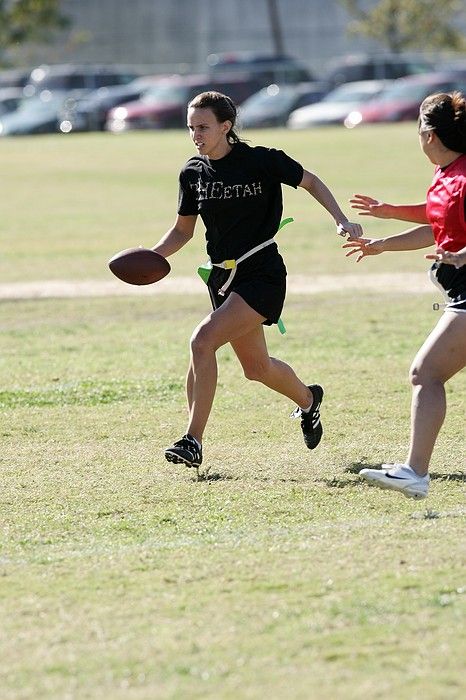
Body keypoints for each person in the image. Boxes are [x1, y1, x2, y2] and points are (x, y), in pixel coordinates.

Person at [150, 91, 363, 472]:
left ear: (226, 127)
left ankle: (192, 440)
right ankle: (309, 401)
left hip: (261, 273)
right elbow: (182, 231)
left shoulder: (262, 161)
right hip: (220, 277)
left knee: (202, 341)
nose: (196, 135)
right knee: (256, 368)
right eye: (191, 128)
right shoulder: (193, 173)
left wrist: (340, 219)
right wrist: (152, 256)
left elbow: (311, 182)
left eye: (203, 126)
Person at [344, 91, 466, 500]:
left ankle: (415, 472)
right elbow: (437, 221)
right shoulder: (448, 173)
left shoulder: (464, 175)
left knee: (425, 373)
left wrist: (462, 254)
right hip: (459, 292)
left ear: (429, 135)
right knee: (427, 373)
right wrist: (384, 235)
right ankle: (414, 470)